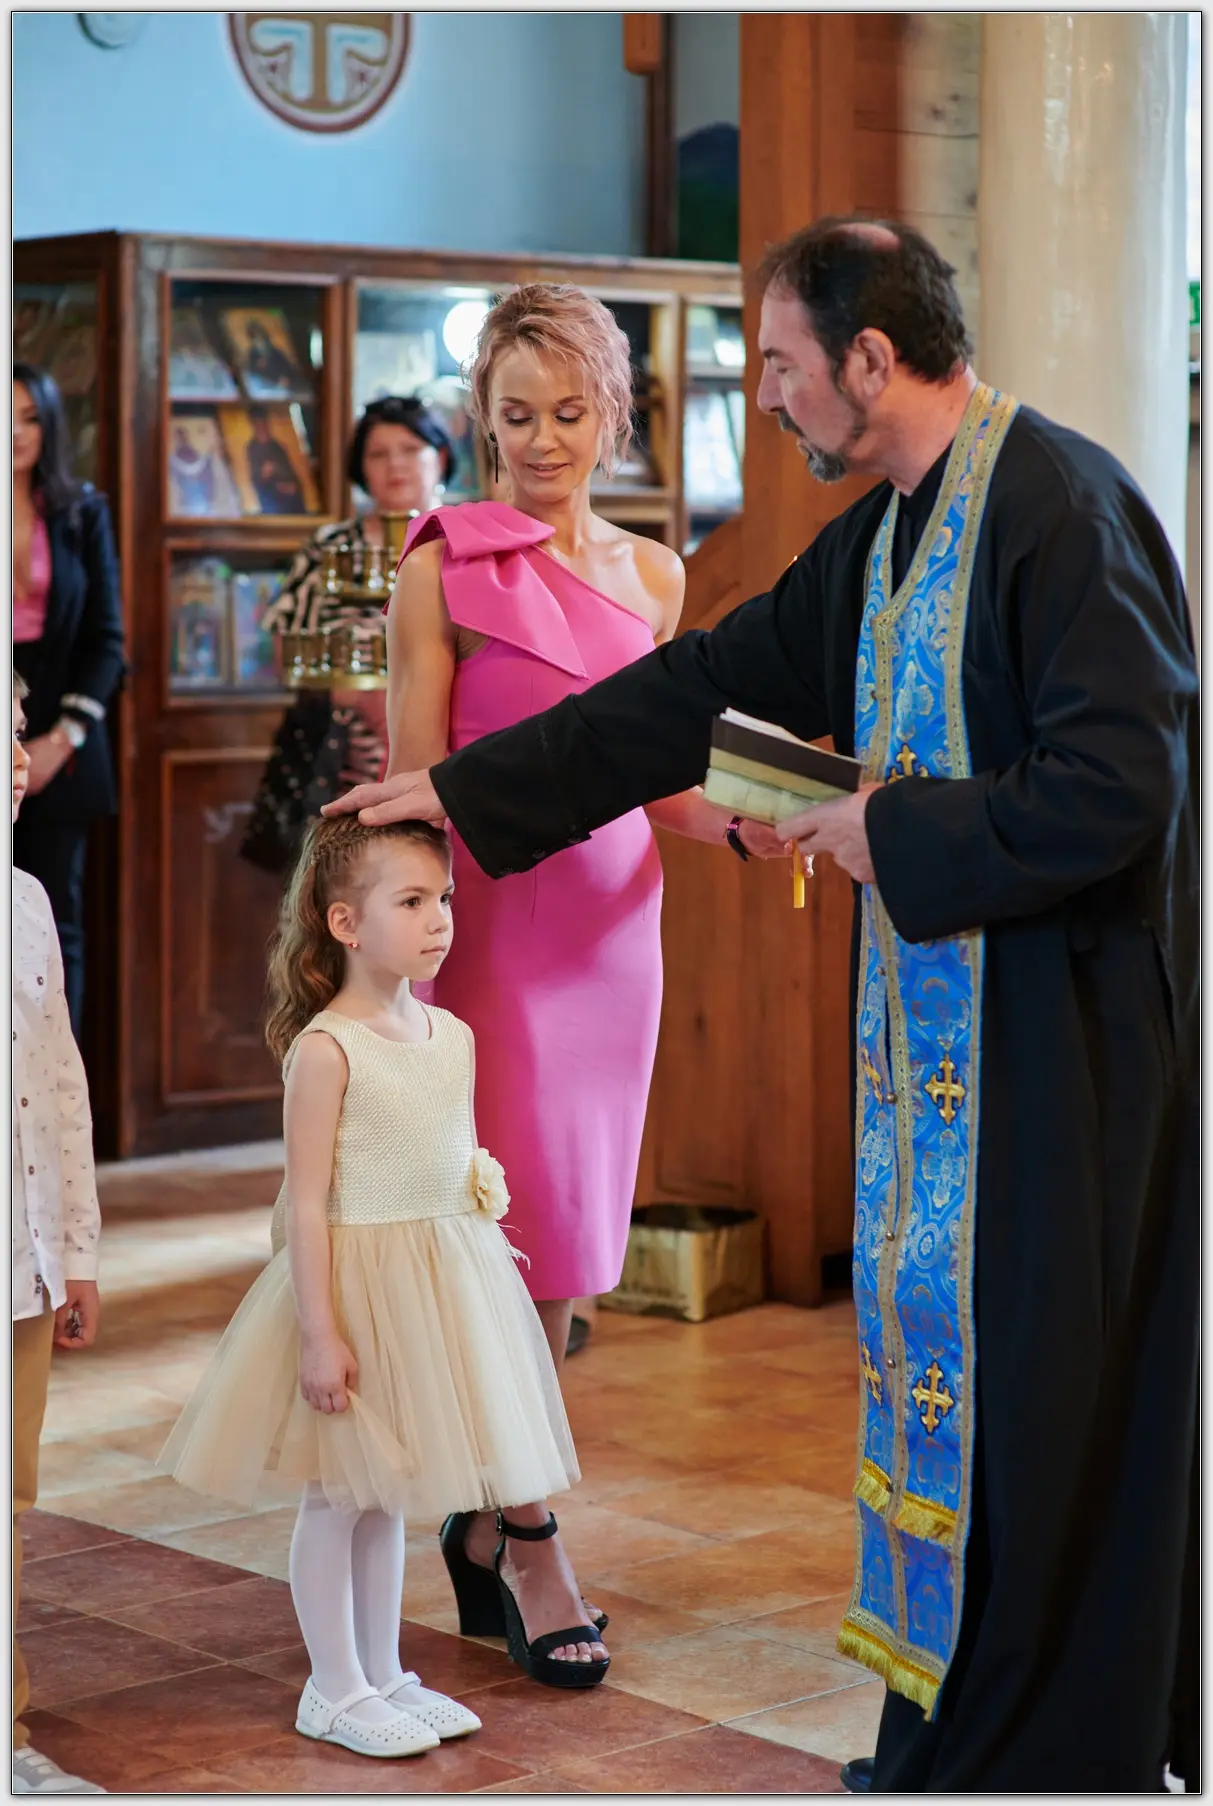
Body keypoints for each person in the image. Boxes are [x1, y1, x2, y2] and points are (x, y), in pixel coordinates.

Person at [325, 218, 1200, 1792]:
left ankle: (1057, 1747)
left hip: (1066, 1054)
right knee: (971, 1392)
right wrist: (460, 788)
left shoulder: (1060, 506)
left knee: (1048, 1395)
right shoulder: (886, 535)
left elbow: (1127, 782)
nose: (773, 397)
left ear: (868, 359)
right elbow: (690, 692)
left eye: (784, 367)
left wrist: (893, 830)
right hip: (956, 1059)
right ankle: (956, 1733)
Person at [380, 282, 786, 1647]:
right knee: (507, 1230)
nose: (541, 442)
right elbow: (414, 780)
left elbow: (655, 778)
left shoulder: (655, 575)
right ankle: (531, 1531)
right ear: (480, 419)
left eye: (567, 413)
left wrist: (750, 821)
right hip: (493, 934)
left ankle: (488, 1518)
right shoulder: (439, 563)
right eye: (514, 416)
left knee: (566, 1247)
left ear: (611, 414)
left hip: (615, 940)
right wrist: (396, 965)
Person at [158, 814, 608, 1755]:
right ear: (344, 923)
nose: (438, 918)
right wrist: (319, 1333)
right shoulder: (327, 1050)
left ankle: (383, 1671)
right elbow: (305, 1206)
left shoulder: (452, 1035)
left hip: (435, 1291)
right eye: (410, 901)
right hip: (354, 1294)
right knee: (338, 1497)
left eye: (444, 897)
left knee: (387, 1495)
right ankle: (332, 1686)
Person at [12, 675, 105, 1797]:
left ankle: (7, 1731)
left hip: (23, 1271)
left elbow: (62, 1086)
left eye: (16, 731)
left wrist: (75, 1251)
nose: (17, 756)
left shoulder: (30, 901)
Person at [241, 396, 454, 876]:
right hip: (343, 759)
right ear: (361, 468)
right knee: (346, 887)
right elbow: (286, 645)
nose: (395, 464)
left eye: (409, 449)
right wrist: (363, 699)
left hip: (450, 758)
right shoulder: (330, 548)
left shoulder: (468, 545)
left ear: (440, 456)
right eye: (378, 454)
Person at [13, 364, 126, 1042]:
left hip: (62, 739)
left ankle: (58, 1093)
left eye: (30, 417)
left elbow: (107, 641)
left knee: (55, 926)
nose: (15, 432)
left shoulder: (80, 511)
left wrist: (60, 740)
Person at [245, 408, 306, 514]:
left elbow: (291, 474)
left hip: (291, 497)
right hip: (272, 501)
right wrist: (265, 474)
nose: (262, 427)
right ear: (254, 425)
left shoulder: (277, 447)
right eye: (258, 424)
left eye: (263, 423)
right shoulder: (252, 449)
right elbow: (256, 481)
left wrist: (292, 486)